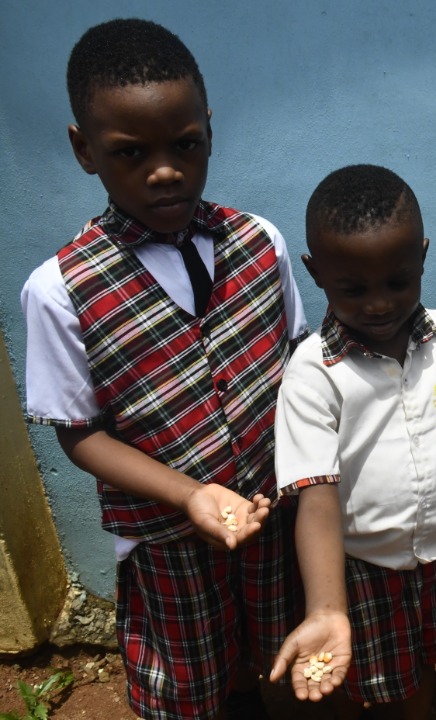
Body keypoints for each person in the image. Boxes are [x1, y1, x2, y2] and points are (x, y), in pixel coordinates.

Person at [19, 18, 309, 720]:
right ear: (84, 150)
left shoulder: (257, 241)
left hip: (274, 519)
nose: (165, 171)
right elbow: (79, 434)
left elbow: (299, 364)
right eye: (130, 153)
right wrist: (188, 496)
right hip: (165, 541)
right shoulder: (59, 290)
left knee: (281, 653)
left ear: (209, 128)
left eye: (186, 145)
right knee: (186, 680)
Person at [268, 164, 436, 719]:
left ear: (422, 255)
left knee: (421, 664)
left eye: (397, 281)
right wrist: (325, 605)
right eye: (353, 288)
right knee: (359, 673)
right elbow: (315, 494)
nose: (378, 303)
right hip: (363, 565)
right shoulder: (313, 373)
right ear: (315, 272)